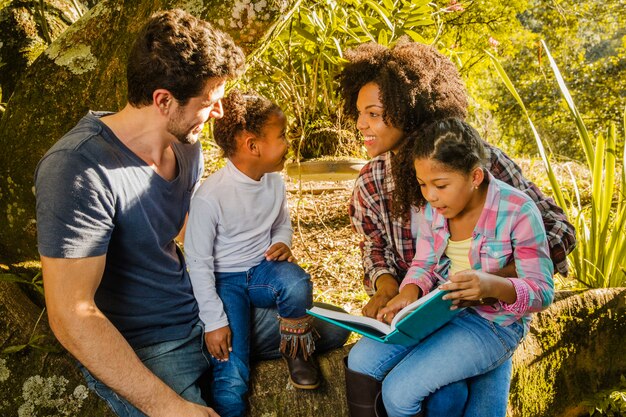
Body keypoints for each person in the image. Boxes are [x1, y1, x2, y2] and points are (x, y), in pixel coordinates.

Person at [34, 10, 348, 417]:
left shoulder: (185, 144)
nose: (218, 113)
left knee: (336, 324)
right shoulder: (77, 168)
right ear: (164, 100)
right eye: (209, 102)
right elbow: (71, 317)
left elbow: (187, 233)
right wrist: (167, 407)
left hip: (202, 312)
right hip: (147, 345)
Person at [337, 39, 575, 416]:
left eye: (373, 113)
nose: (361, 124)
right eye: (359, 113)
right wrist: (391, 290)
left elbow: (558, 233)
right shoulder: (371, 182)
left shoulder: (475, 162)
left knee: (453, 399)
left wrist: (489, 284)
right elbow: (381, 251)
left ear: (409, 109)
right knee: (406, 382)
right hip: (428, 312)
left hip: (491, 314)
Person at [348, 118, 555, 417]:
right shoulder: (436, 208)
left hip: (493, 324)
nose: (430, 195)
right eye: (422, 184)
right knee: (361, 360)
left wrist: (491, 286)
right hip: (440, 311)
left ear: (474, 176)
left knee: (399, 393)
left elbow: (543, 291)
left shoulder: (518, 212)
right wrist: (408, 292)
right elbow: (424, 263)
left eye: (440, 185)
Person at [184, 90, 320, 417]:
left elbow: (281, 223)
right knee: (232, 371)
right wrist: (215, 322)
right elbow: (198, 264)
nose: (289, 142)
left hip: (262, 272)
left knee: (298, 283)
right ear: (252, 145)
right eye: (282, 136)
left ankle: (295, 349)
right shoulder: (210, 197)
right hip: (225, 282)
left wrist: (283, 242)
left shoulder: (273, 181)